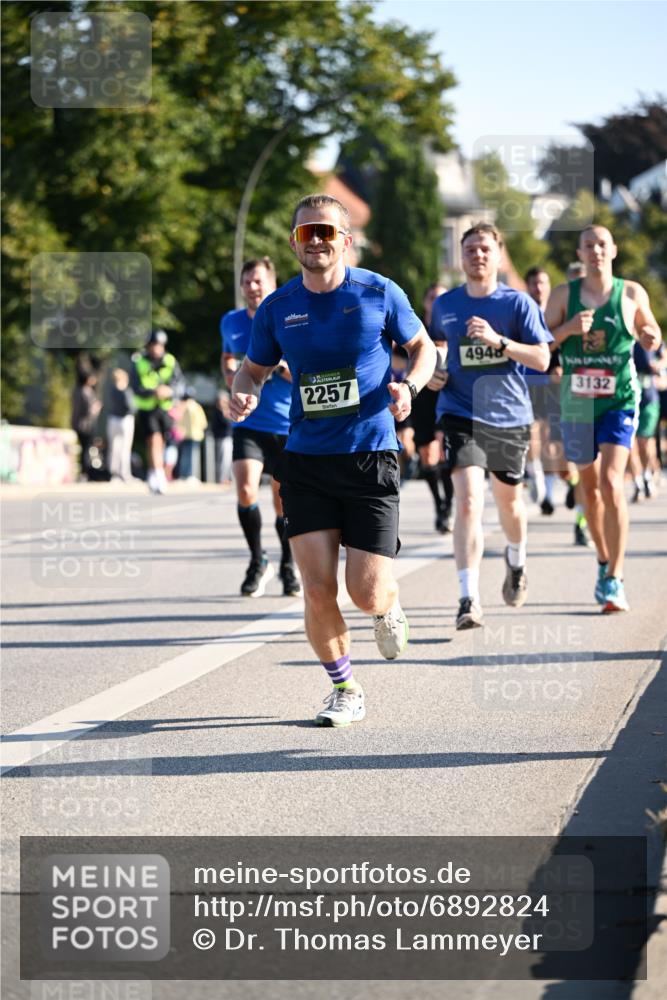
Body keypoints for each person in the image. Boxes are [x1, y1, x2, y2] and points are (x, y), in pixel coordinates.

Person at [230, 193, 436, 727]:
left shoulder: (378, 292)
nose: (316, 240)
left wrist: (409, 386)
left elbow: (423, 349)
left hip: (370, 452)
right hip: (306, 460)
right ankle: (345, 688)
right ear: (295, 242)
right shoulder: (278, 308)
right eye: (306, 233)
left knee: (365, 591)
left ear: (345, 240)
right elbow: (251, 369)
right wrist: (243, 390)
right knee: (318, 587)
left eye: (325, 231)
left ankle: (388, 607)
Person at [430, 224, 552, 630]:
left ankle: (516, 559)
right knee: (467, 501)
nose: (477, 256)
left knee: (510, 506)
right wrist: (432, 374)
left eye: (484, 249)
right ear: (461, 257)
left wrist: (499, 341)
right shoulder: (445, 305)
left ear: (498, 255)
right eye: (469, 250)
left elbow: (542, 359)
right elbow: (433, 351)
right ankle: (468, 598)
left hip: (508, 416)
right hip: (461, 411)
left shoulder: (518, 305)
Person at [545, 224, 662, 612]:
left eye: (601, 244)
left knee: (612, 483)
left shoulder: (631, 292)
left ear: (613, 250)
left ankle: (615, 577)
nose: (595, 251)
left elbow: (651, 329)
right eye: (588, 245)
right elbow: (541, 345)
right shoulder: (564, 295)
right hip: (577, 402)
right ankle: (601, 559)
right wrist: (567, 329)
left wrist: (650, 337)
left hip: (619, 399)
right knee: (589, 491)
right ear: (579, 254)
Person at [221, 258, 300, 598]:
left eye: (258, 282)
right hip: (248, 423)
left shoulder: (288, 318)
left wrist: (281, 367)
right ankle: (257, 560)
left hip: (285, 423)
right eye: (247, 282)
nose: (252, 288)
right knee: (245, 491)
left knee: (283, 503)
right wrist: (232, 378)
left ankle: (287, 564)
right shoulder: (231, 322)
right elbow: (227, 364)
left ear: (272, 285)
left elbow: (303, 373)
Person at [524, 267, 592, 547]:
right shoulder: (529, 309)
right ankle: (540, 481)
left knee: (569, 459)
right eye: (534, 283)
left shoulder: (589, 311)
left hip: (574, 390)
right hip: (535, 384)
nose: (539, 287)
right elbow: (542, 346)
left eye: (543, 282)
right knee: (533, 436)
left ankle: (579, 517)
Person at [414, 282, 454, 533]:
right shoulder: (416, 329)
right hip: (421, 399)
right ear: (426, 302)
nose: (437, 301)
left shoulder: (454, 325)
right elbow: (396, 356)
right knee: (427, 457)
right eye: (432, 297)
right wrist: (421, 366)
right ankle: (439, 502)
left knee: (445, 455)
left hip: (448, 399)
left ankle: (447, 507)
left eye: (442, 297)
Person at [131, 329, 184, 494]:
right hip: (147, 408)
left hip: (165, 408)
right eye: (153, 345)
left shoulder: (170, 361)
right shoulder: (139, 362)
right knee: (153, 441)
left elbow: (179, 384)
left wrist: (169, 391)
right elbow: (136, 387)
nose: (156, 349)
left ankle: (153, 473)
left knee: (160, 443)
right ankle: (160, 476)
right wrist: (153, 392)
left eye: (159, 345)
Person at [628, 341, 663, 502]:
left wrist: (658, 364)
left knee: (644, 441)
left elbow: (664, 356)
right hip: (627, 399)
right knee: (629, 444)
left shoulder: (650, 336)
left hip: (649, 399)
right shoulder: (621, 336)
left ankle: (647, 474)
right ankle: (638, 483)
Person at [71, 367, 102, 480]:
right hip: (86, 425)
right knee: (86, 449)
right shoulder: (86, 392)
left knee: (83, 449)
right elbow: (89, 411)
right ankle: (85, 473)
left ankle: (83, 472)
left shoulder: (77, 390)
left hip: (78, 424)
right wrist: (97, 407)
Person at [107, 368, 135, 482]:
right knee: (125, 448)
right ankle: (124, 473)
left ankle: (114, 473)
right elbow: (131, 407)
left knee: (114, 447)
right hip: (125, 420)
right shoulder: (126, 391)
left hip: (113, 419)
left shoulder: (112, 390)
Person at [178, 390, 208, 481]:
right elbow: (203, 422)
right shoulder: (196, 406)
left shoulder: (181, 406)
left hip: (183, 434)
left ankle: (183, 475)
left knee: (184, 455)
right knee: (192, 456)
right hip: (195, 434)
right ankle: (190, 475)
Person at [211, 391, 233, 486]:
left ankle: (227, 478)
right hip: (223, 438)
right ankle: (222, 479)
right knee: (223, 460)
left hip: (229, 438)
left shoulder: (227, 411)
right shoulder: (218, 413)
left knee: (228, 460)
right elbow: (225, 423)